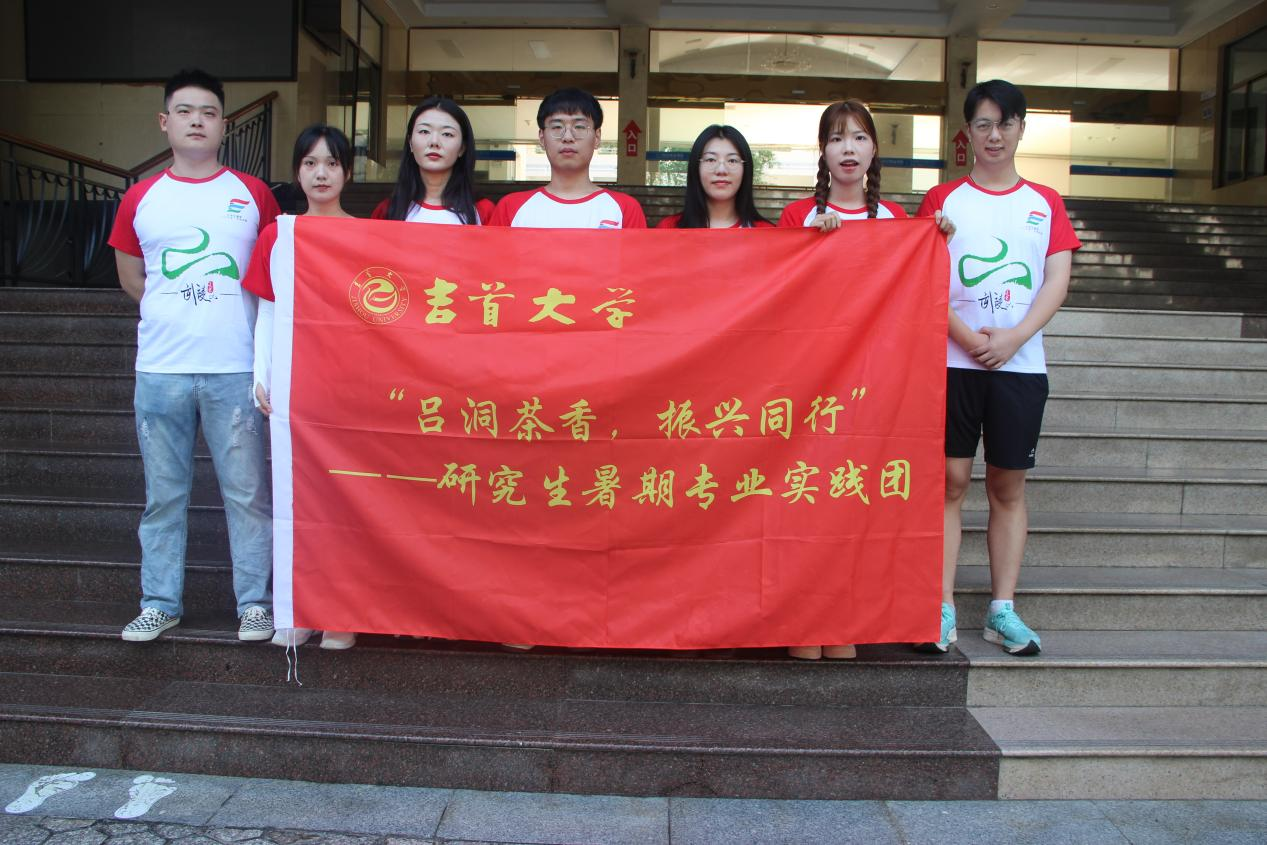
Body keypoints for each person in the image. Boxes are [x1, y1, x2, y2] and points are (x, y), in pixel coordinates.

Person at [108, 68, 277, 643]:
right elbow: (132, 277)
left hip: (235, 368)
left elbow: (272, 274)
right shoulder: (140, 197)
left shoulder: (253, 194)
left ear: (224, 125)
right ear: (165, 122)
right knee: (163, 497)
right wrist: (177, 313)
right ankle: (160, 602)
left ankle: (254, 604)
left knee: (247, 495)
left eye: (208, 112)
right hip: (161, 370)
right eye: (184, 111)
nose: (197, 121)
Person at [916, 79, 1081, 656]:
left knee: (1008, 486)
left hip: (1021, 366)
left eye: (1005, 123)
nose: (994, 135)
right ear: (967, 132)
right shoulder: (942, 200)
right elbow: (924, 277)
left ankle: (1001, 610)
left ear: (1020, 129)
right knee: (950, 482)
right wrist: (968, 339)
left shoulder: (1045, 202)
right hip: (951, 362)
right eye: (983, 124)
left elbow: (1056, 280)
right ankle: (939, 606)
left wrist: (1014, 338)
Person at [240, 124, 359, 651]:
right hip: (295, 382)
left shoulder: (369, 235)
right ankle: (299, 609)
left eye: (331, 163)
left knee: (348, 501)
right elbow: (267, 308)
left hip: (351, 387)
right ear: (297, 172)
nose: (320, 173)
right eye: (310, 163)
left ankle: (342, 613)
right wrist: (261, 373)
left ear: (347, 173)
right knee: (298, 498)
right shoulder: (278, 234)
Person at [489, 87, 646, 228]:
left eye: (579, 127)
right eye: (557, 127)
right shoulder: (511, 208)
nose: (568, 137)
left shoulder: (624, 209)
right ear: (542, 138)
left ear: (597, 137)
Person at [779, 98, 909, 230]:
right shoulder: (795, 215)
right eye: (836, 139)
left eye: (859, 138)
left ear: (873, 148)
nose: (848, 149)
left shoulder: (895, 216)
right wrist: (808, 236)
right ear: (823, 150)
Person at [371, 96, 495, 225]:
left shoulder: (484, 211)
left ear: (462, 148)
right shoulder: (387, 211)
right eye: (424, 131)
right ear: (410, 143)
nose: (434, 142)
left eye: (447, 134)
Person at [657, 125, 773, 229]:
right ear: (696, 167)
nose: (721, 170)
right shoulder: (668, 229)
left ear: (746, 169)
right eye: (711, 160)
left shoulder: (766, 233)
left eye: (732, 160)